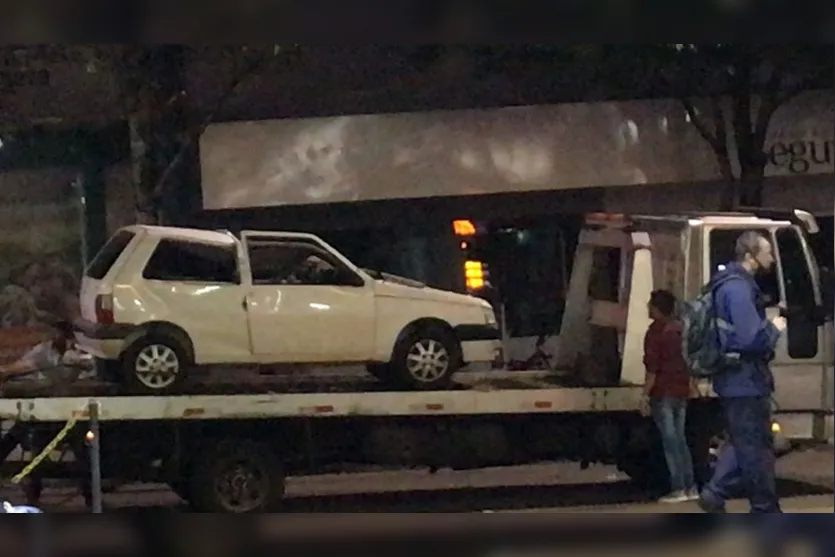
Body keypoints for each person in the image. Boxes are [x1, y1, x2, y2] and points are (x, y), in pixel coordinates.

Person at [698, 231, 786, 513]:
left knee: (742, 442)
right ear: (751, 256)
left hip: (735, 381)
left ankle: (715, 494)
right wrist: (774, 328)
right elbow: (750, 340)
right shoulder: (738, 289)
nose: (771, 257)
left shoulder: (729, 286)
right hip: (745, 381)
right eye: (767, 252)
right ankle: (764, 508)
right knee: (755, 449)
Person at [0, 318, 93, 508]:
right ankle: (33, 496)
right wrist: (5, 372)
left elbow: (92, 368)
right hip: (48, 412)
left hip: (71, 415)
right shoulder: (43, 351)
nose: (58, 337)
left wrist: (79, 362)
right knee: (30, 444)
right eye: (56, 333)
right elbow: (24, 365)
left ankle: (91, 498)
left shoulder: (80, 352)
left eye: (63, 334)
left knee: (84, 456)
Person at [640, 289, 699, 503]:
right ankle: (691, 486)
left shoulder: (655, 332)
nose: (648, 307)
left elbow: (652, 369)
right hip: (680, 390)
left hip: (663, 391)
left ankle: (678, 487)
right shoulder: (679, 330)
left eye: (650, 305)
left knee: (669, 441)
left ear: (657, 309)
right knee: (680, 440)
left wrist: (644, 396)